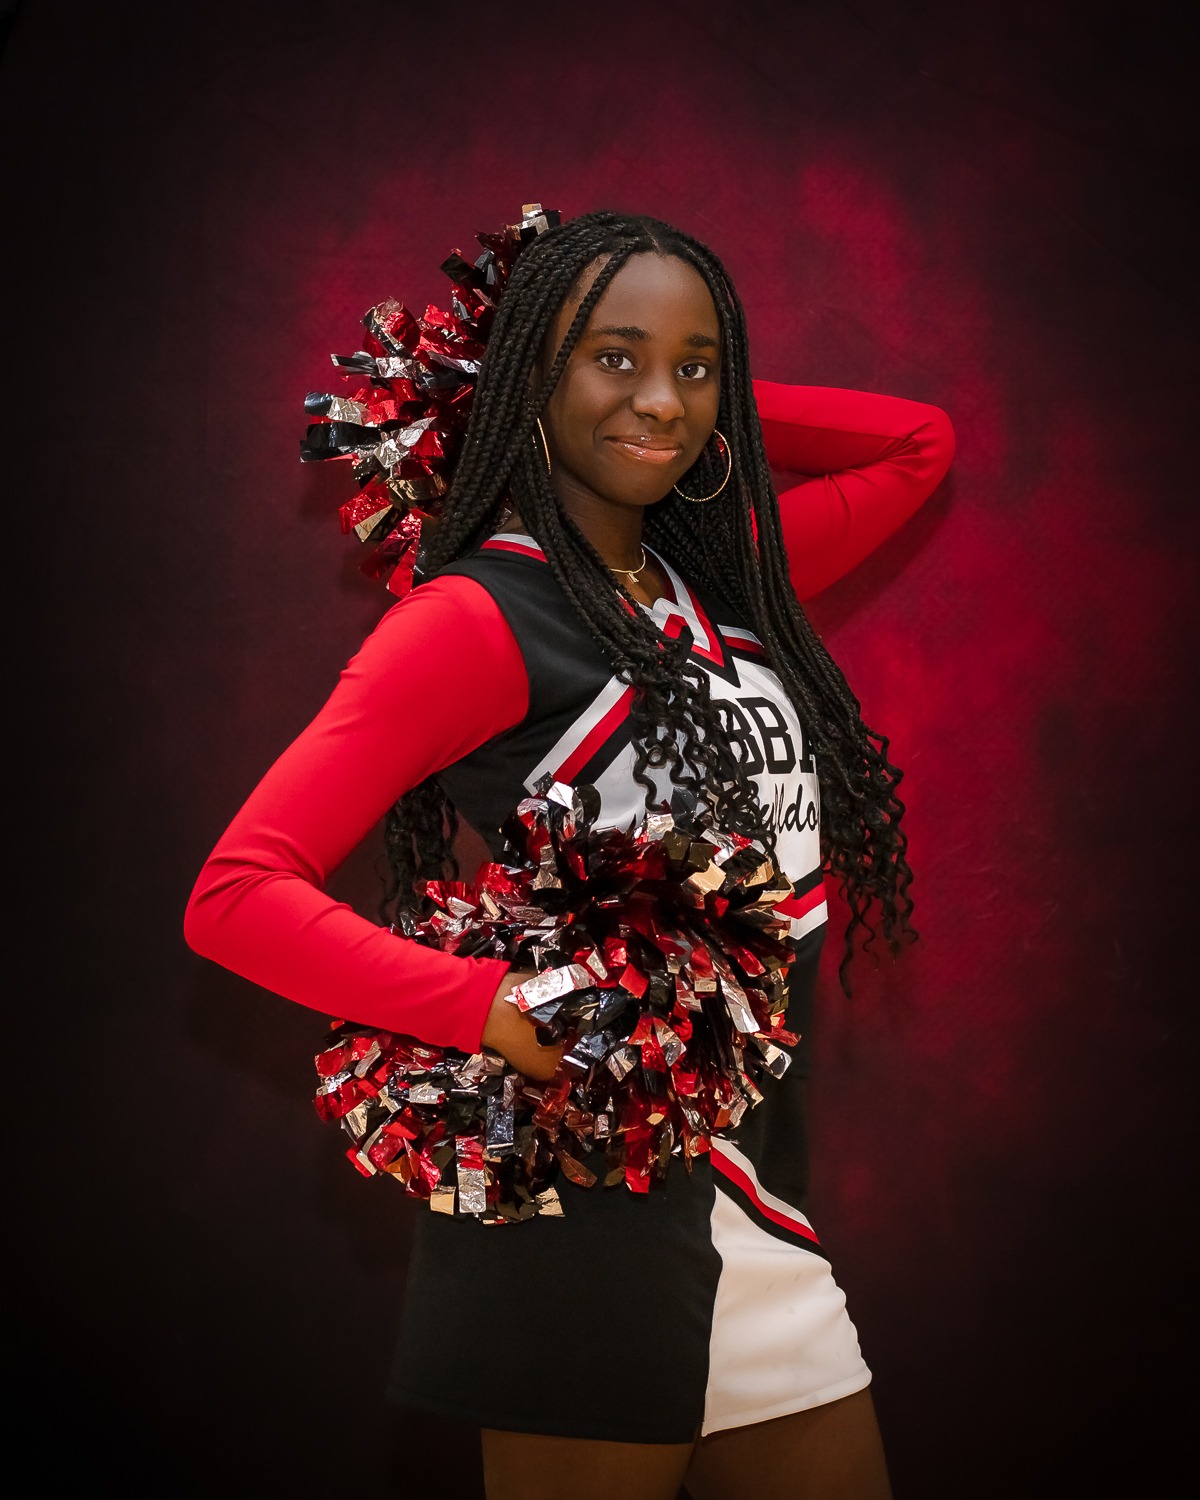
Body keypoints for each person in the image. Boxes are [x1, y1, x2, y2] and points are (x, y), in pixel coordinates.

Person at [184, 207, 955, 1500]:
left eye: (694, 365)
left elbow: (916, 444)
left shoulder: (722, 581)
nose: (659, 400)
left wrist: (696, 397)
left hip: (756, 1201)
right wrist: (491, 1008)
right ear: (528, 381)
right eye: (612, 357)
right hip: (585, 1213)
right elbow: (234, 895)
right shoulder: (474, 620)